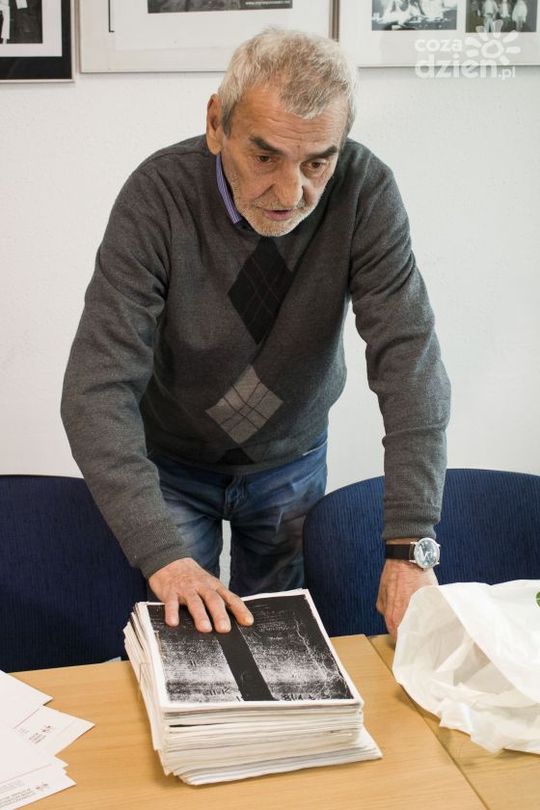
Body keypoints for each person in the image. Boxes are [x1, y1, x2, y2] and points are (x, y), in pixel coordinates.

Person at [62, 28, 450, 639]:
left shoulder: (365, 191)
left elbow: (410, 363)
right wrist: (162, 555)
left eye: (317, 162)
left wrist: (410, 544)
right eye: (265, 157)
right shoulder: (158, 195)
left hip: (290, 458)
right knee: (185, 639)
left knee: (279, 640)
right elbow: (95, 389)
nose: (291, 193)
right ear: (217, 124)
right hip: (171, 463)